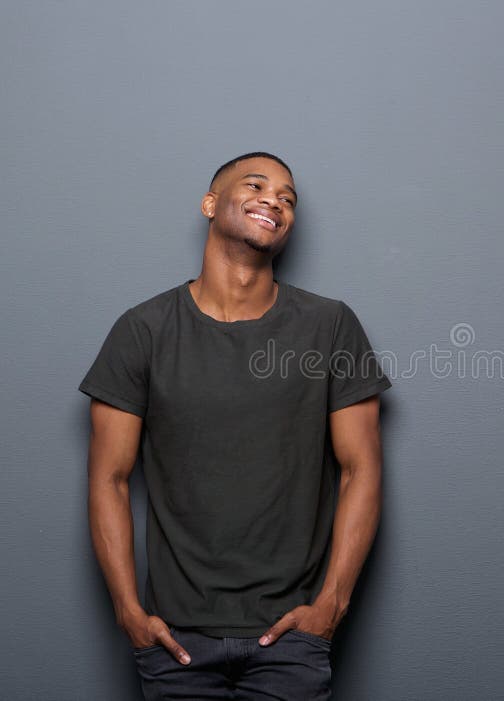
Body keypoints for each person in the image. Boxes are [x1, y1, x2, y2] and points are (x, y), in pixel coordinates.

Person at [78, 151, 392, 700]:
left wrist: (330, 608)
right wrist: (129, 612)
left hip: (292, 642)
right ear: (209, 204)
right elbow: (108, 479)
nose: (275, 199)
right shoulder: (142, 331)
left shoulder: (330, 325)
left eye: (288, 198)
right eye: (256, 184)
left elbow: (360, 469)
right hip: (175, 642)